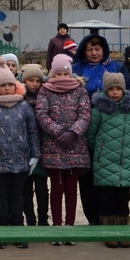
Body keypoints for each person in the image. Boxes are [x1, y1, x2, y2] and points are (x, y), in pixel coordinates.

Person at [0, 65, 41, 247]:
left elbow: (33, 131)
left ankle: (18, 232)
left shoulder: (24, 106)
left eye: (10, 84)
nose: (7, 88)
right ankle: (2, 233)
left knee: (17, 196)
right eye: (3, 85)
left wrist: (35, 155)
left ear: (16, 86)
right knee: (1, 196)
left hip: (21, 160)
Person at [88, 72, 130, 247]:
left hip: (126, 162)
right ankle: (109, 233)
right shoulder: (98, 111)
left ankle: (123, 233)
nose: (115, 92)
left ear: (124, 90)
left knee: (123, 199)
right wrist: (101, 149)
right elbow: (91, 134)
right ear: (105, 90)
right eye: (111, 89)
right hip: (105, 162)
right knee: (107, 200)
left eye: (118, 89)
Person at [35, 54, 91, 240]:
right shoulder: (45, 90)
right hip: (54, 146)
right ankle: (57, 226)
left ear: (70, 74)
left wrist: (74, 132)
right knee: (57, 188)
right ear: (52, 74)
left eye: (65, 74)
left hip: (75, 147)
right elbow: (41, 114)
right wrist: (58, 131)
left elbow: (85, 114)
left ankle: (70, 226)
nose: (61, 77)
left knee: (72, 189)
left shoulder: (80, 90)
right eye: (58, 74)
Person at [19, 64, 49, 227]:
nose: (35, 84)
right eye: (31, 80)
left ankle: (43, 219)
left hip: (43, 148)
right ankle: (30, 219)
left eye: (38, 80)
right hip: (24, 148)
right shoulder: (19, 99)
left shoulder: (46, 97)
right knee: (26, 189)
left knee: (42, 188)